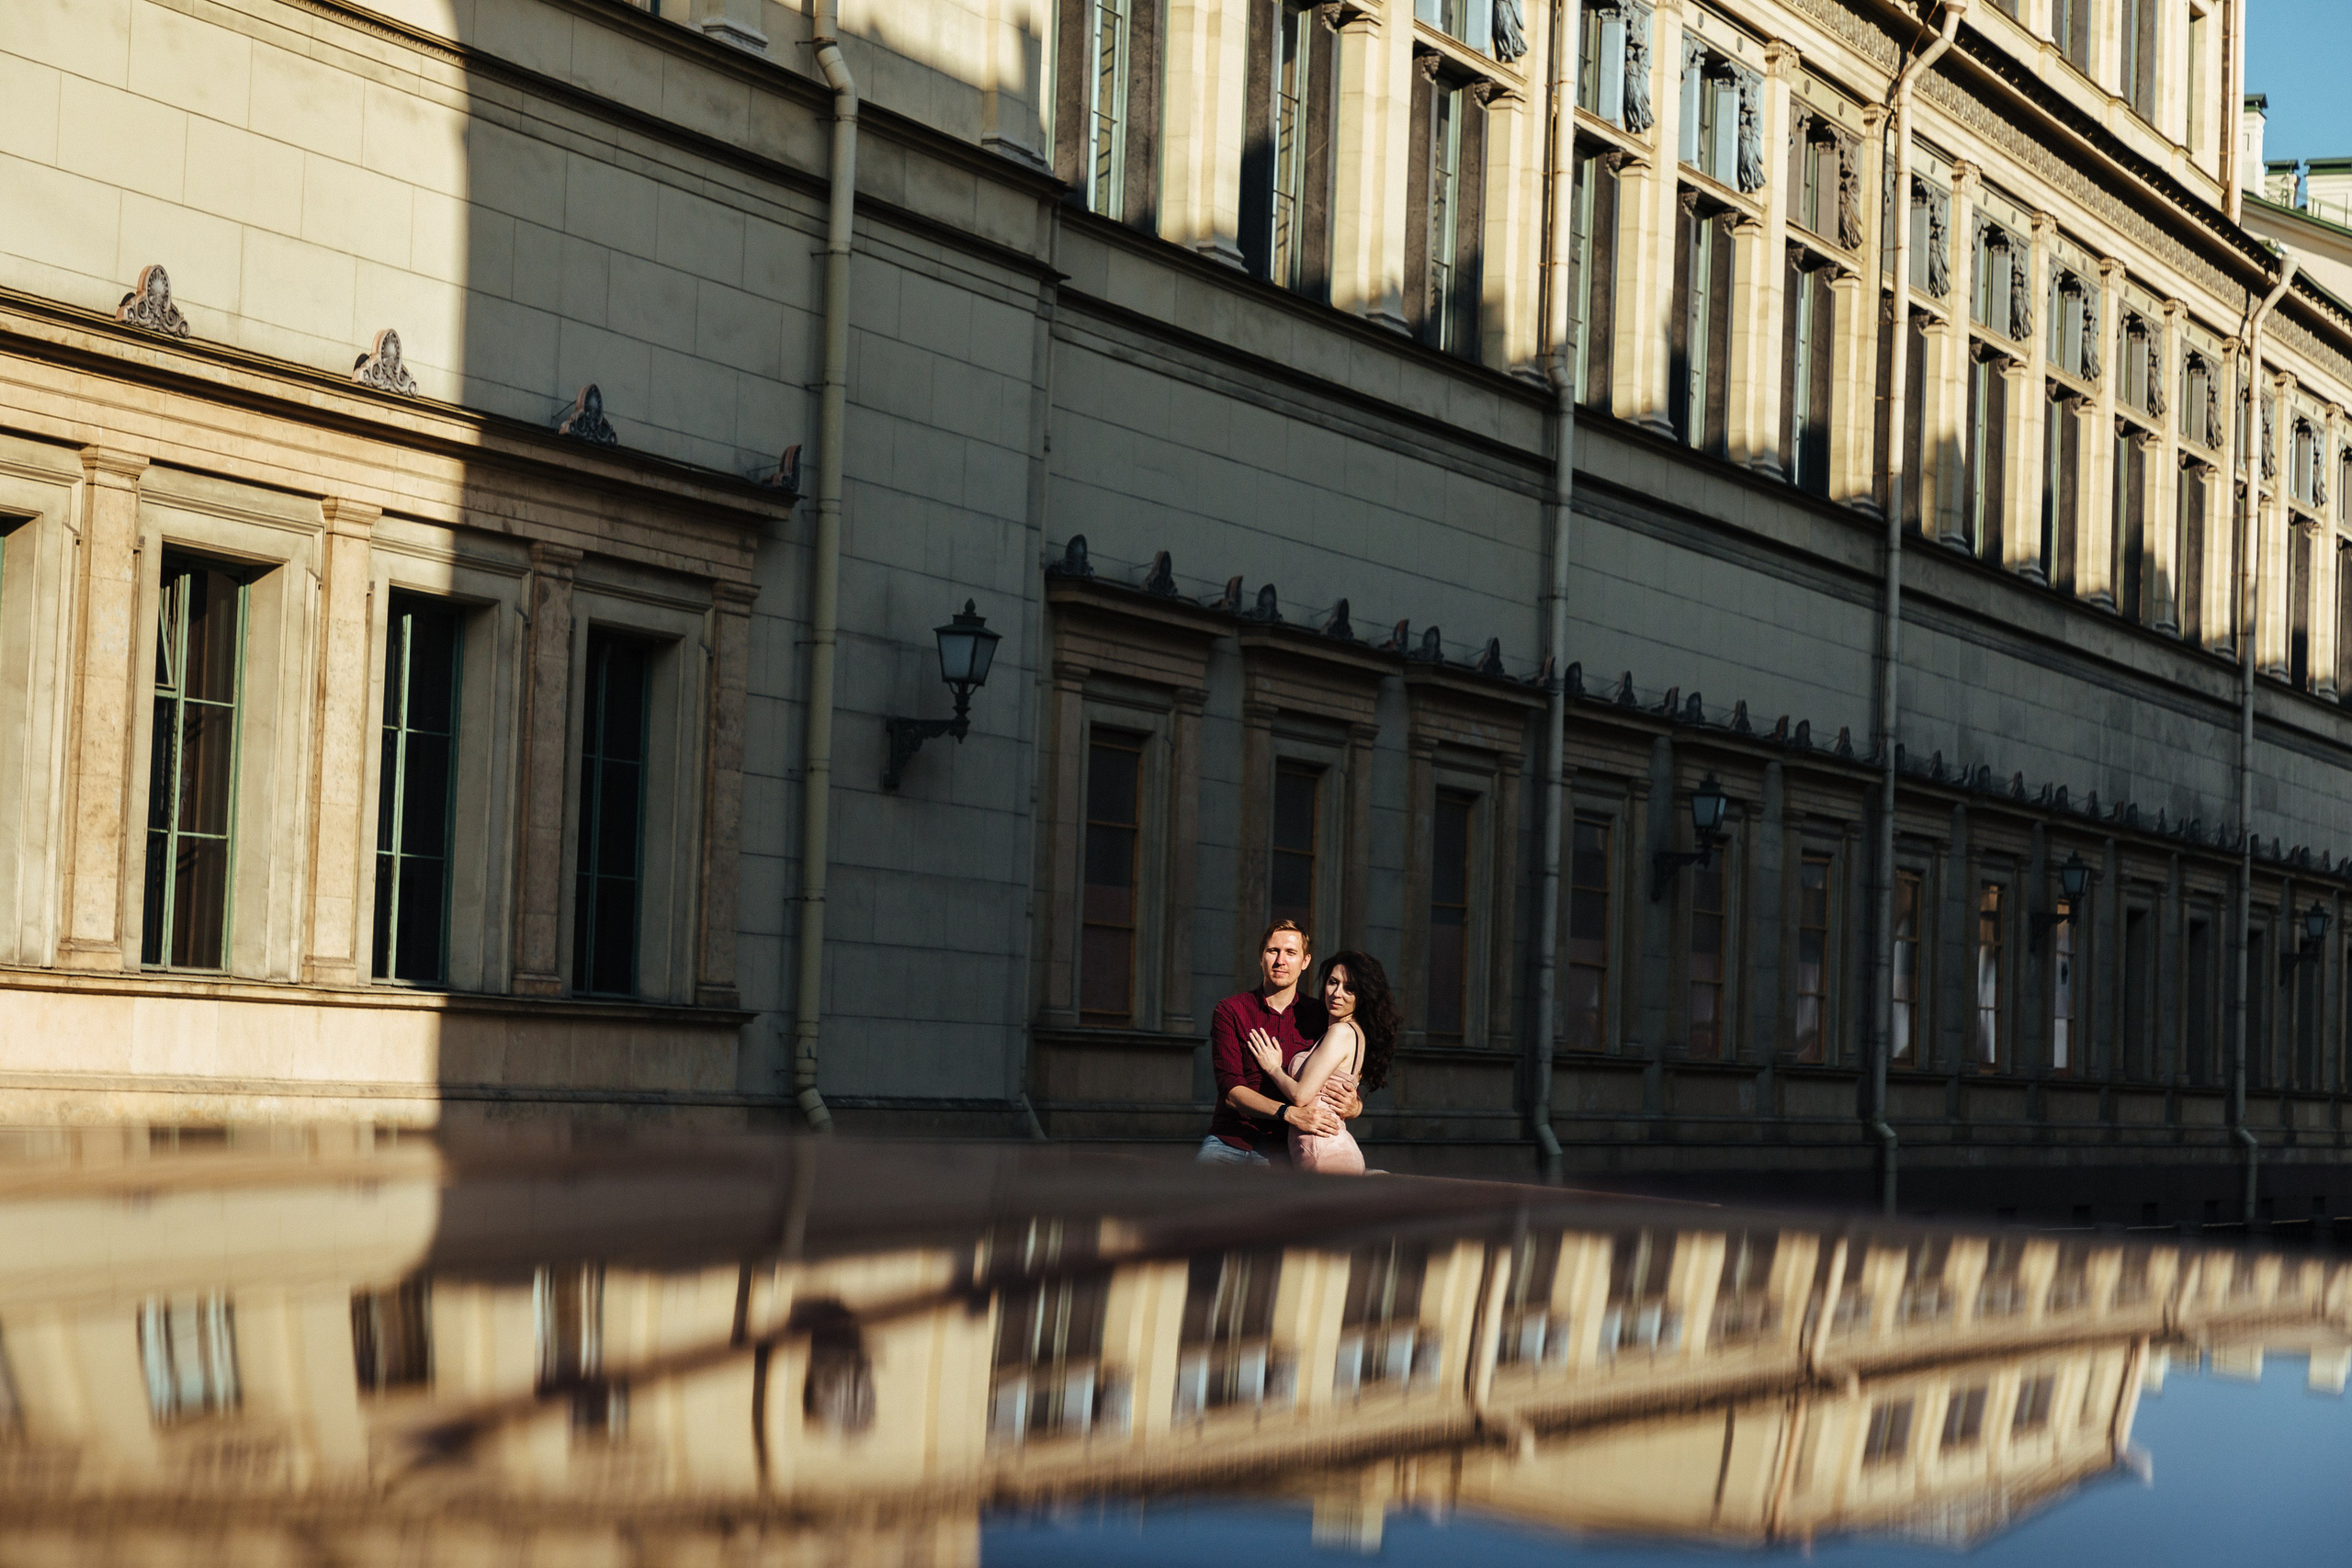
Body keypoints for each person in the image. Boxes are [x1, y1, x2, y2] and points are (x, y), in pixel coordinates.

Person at [1199, 919, 1360, 1165]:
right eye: (1273, 951)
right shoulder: (1231, 1010)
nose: (1280, 961)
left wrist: (1355, 1105)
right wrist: (1288, 1113)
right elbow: (1231, 1091)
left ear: (1305, 961)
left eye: (1291, 953)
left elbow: (1342, 1080)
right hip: (1230, 1138)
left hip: (1286, 1147)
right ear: (1261, 956)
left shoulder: (1320, 1015)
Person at [1247, 950, 1396, 1175]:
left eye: (1350, 988)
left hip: (1326, 1154)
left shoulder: (1341, 1032)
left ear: (1363, 995)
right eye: (1333, 982)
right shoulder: (1346, 1032)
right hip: (1320, 1150)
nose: (1337, 993)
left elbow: (1301, 1096)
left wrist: (1273, 1068)